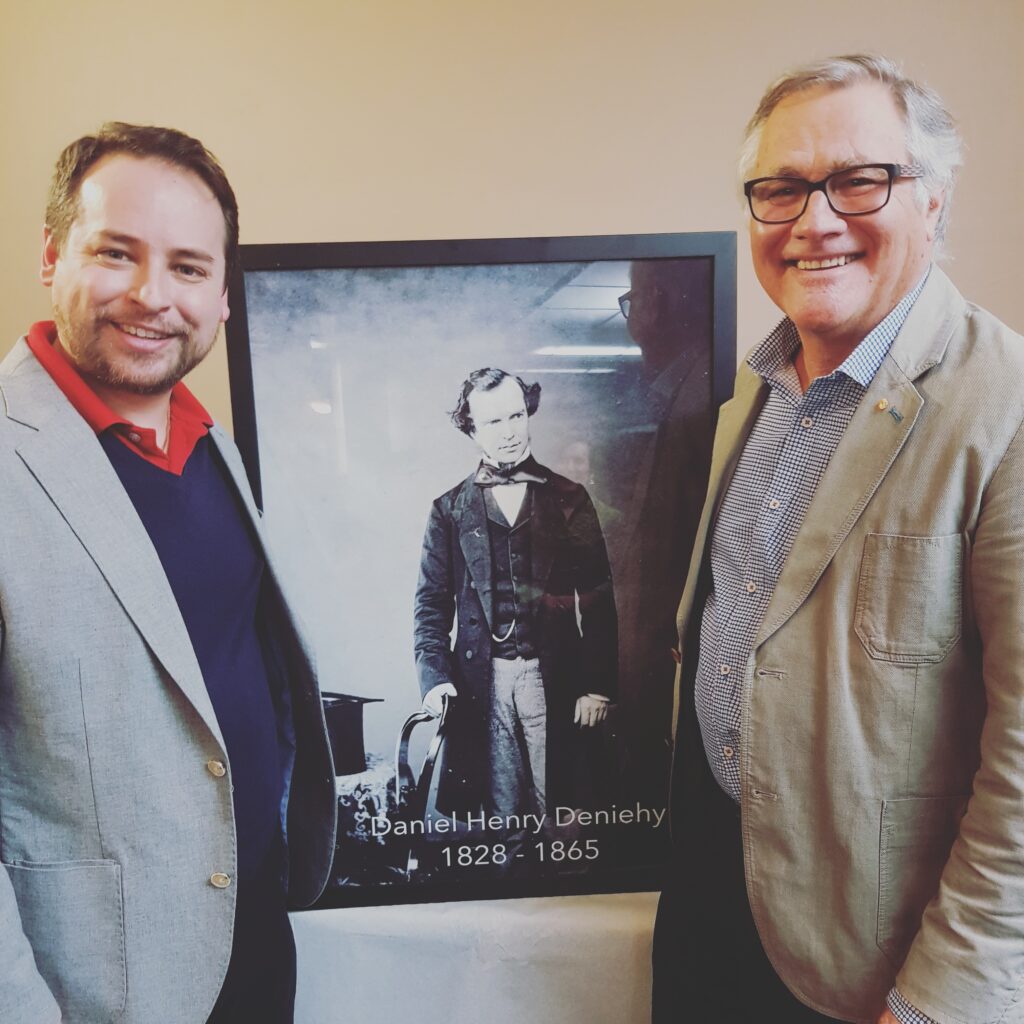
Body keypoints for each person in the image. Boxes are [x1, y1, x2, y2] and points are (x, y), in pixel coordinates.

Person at [653, 55, 1024, 1024]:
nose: (814, 221)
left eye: (858, 180)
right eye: (780, 189)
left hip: (873, 965)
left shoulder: (1007, 406)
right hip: (708, 906)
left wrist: (943, 997)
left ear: (932, 201)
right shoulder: (751, 401)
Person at [0, 123, 337, 1024]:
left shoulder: (210, 443)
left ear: (222, 295)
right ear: (51, 255)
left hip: (252, 943)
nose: (154, 296)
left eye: (189, 267)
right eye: (117, 253)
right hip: (100, 991)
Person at [413, 368, 617, 829]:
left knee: (562, 807)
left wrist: (597, 684)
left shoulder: (571, 499)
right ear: (470, 428)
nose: (508, 433)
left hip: (555, 674)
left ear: (529, 413)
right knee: (501, 809)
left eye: (516, 416)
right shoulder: (448, 510)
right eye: (492, 422)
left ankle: (564, 894)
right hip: (481, 678)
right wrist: (435, 679)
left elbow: (599, 599)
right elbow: (430, 606)